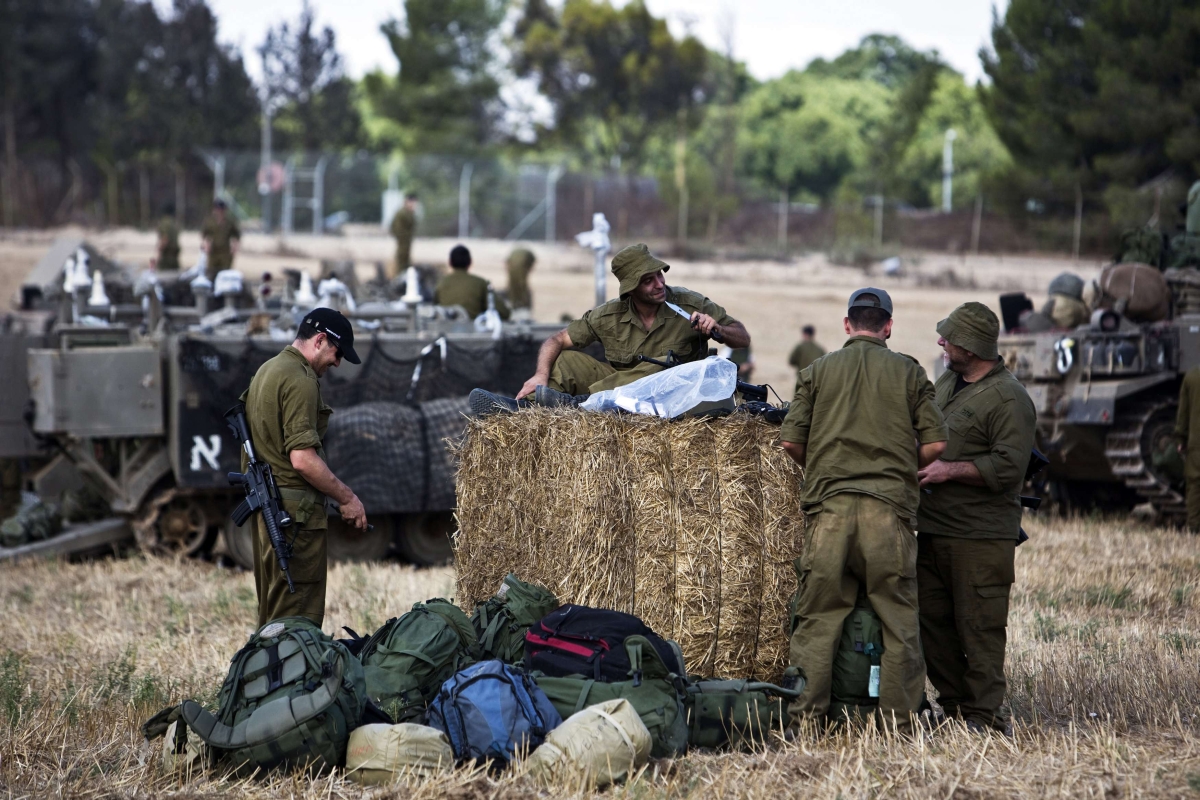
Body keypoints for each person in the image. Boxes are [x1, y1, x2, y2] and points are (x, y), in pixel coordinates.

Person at [780, 288, 947, 732]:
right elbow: (935, 444)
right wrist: (897, 468)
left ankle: (806, 723)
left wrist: (829, 468)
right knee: (898, 622)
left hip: (830, 514)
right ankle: (896, 726)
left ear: (847, 325)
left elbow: (791, 441)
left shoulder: (817, 371)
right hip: (887, 516)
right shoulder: (910, 374)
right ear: (888, 327)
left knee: (817, 622)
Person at [915, 302, 1036, 734]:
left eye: (949, 338)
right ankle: (955, 707)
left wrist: (950, 470)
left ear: (972, 346)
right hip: (930, 528)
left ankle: (984, 718)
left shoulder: (1010, 399)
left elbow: (1008, 467)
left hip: (980, 538)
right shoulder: (948, 380)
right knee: (933, 627)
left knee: (979, 630)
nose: (941, 342)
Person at [241, 307, 368, 626]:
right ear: (321, 340)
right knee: (297, 623)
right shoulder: (300, 380)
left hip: (270, 513)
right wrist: (347, 497)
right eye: (338, 353)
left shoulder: (268, 370)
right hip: (294, 519)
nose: (337, 363)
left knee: (275, 616)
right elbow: (303, 458)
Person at [512, 243, 751, 405]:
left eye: (660, 275)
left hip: (674, 394)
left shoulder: (690, 304)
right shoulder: (609, 315)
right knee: (564, 359)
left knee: (662, 368)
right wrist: (540, 375)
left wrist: (718, 329)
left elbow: (742, 337)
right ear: (630, 289)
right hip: (618, 388)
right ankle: (523, 408)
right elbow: (557, 339)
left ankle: (582, 404)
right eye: (648, 280)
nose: (659, 284)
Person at [434, 244, 511, 320]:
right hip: (473, 329)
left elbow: (436, 309)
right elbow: (504, 312)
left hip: (446, 328)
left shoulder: (441, 283)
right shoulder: (481, 283)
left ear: (450, 262)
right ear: (470, 262)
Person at [1176, 366, 1200, 531]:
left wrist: (1180, 438)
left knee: (1194, 483)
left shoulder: (1191, 377)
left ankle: (1194, 527)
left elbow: (1183, 412)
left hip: (1196, 442)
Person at [201, 199, 241, 280]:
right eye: (217, 209)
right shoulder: (209, 221)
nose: (219, 212)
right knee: (211, 272)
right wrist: (206, 245)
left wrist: (235, 246)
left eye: (221, 210)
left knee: (225, 273)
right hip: (213, 251)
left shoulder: (230, 222)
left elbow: (236, 235)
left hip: (225, 252)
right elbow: (204, 235)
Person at [389, 193, 418, 280]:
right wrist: (402, 238)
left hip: (407, 242)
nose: (413, 205)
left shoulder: (409, 213)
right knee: (401, 262)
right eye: (412, 202)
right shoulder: (402, 213)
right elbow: (396, 229)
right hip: (403, 242)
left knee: (406, 262)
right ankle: (399, 279)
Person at [788, 325, 825, 390]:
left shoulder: (800, 347)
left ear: (805, 334)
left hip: (802, 380)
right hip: (816, 382)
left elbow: (791, 361)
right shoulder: (820, 349)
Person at [506, 247, 536, 312]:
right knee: (522, 285)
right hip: (521, 267)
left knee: (512, 285)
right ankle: (522, 303)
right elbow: (531, 263)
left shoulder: (515, 253)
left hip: (512, 267)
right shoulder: (529, 255)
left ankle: (514, 302)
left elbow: (507, 262)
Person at [155, 204, 180, 271]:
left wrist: (159, 253)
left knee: (164, 276)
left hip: (166, 256)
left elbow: (165, 239)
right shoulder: (174, 223)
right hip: (174, 255)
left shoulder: (164, 222)